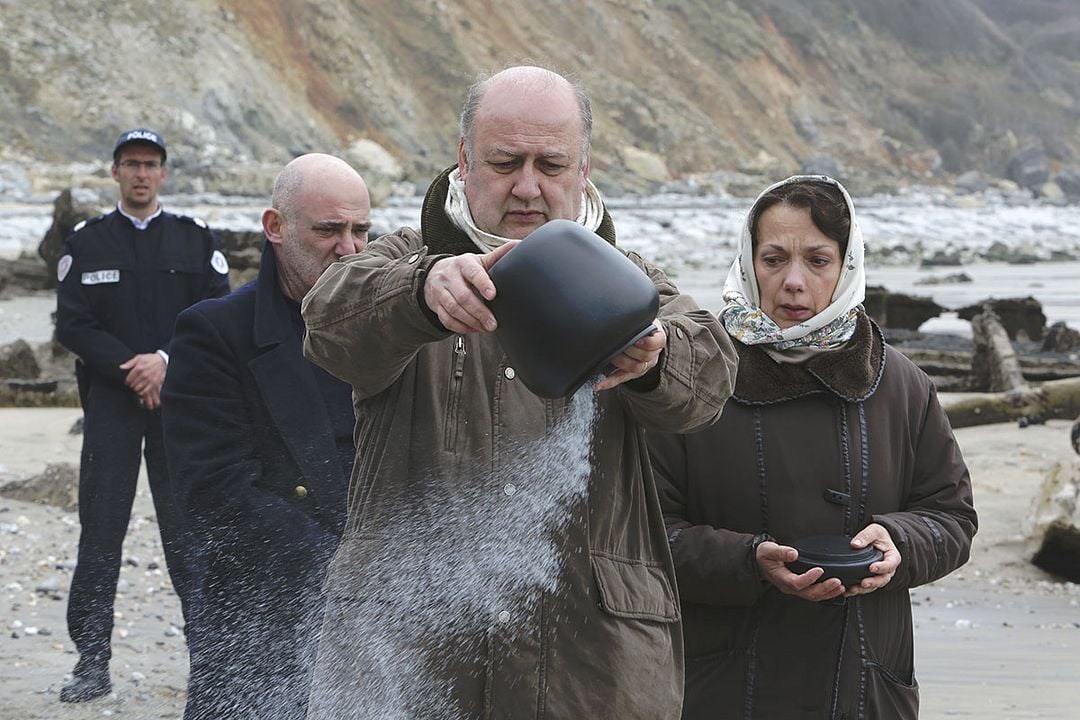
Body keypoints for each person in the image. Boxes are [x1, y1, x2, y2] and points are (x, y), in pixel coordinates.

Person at [299, 65, 739, 719]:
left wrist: (656, 358)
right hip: (406, 653)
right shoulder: (400, 261)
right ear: (464, 160)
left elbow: (709, 381)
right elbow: (328, 321)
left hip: (591, 669)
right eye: (506, 162)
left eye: (550, 164)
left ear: (584, 169)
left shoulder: (630, 283)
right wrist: (420, 292)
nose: (528, 186)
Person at [647, 175, 979, 719]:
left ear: (848, 266)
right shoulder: (693, 378)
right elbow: (648, 533)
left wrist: (899, 542)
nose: (794, 282)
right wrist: (749, 561)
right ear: (747, 261)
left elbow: (951, 517)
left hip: (865, 686)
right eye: (773, 259)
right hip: (722, 686)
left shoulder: (901, 384)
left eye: (818, 261)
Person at [159, 154, 370, 719]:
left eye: (360, 230)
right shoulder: (213, 332)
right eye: (328, 230)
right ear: (275, 228)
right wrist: (342, 571)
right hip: (259, 614)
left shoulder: (388, 332)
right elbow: (214, 491)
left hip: (376, 624)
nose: (349, 248)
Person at [55, 128, 231, 702]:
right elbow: (73, 323)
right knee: (100, 533)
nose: (140, 173)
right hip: (110, 404)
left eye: (150, 164)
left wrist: (163, 361)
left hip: (177, 404)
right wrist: (131, 367)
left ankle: (208, 658)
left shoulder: (193, 238)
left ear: (163, 174)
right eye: (130, 164)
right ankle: (91, 663)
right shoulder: (87, 241)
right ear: (115, 173)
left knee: (189, 534)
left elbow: (217, 311)